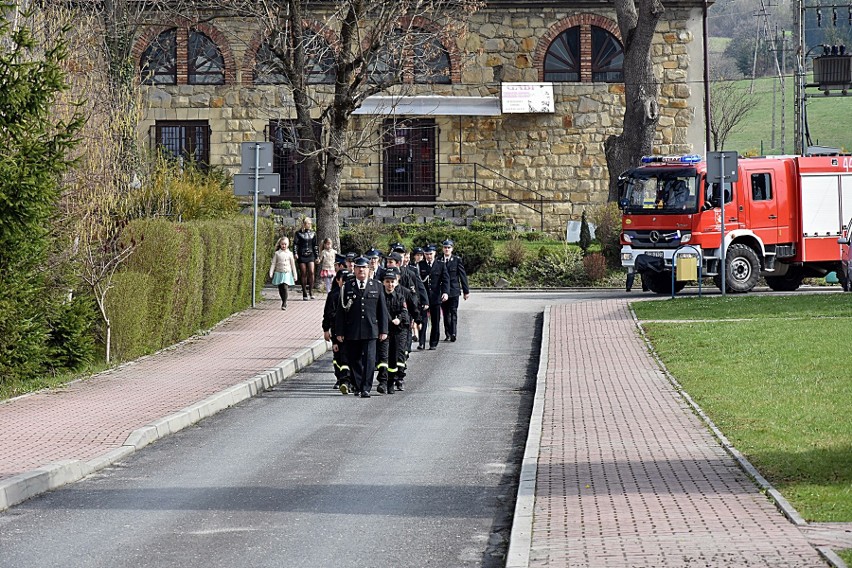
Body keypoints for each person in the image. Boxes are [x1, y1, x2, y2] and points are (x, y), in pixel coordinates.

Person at [335, 257, 388, 398]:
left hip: (371, 329)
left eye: (363, 268)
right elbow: (340, 311)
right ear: (355, 269)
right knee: (354, 359)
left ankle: (366, 387)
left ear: (368, 269)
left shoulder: (377, 286)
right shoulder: (347, 286)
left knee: (370, 360)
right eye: (358, 268)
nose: (361, 270)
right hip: (353, 330)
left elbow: (382, 310)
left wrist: (383, 330)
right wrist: (339, 332)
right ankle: (358, 385)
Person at [375, 267, 410, 395]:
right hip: (384, 331)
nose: (390, 284)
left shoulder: (400, 297)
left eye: (392, 282)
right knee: (383, 356)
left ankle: (391, 382)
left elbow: (405, 313)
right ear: (383, 282)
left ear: (396, 283)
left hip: (397, 331)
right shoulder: (380, 297)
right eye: (387, 281)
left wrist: (399, 319)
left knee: (394, 358)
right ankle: (382, 382)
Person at [323, 269, 352, 392]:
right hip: (337, 330)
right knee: (338, 356)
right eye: (343, 281)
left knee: (349, 356)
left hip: (351, 331)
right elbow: (328, 314)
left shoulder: (353, 293)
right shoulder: (333, 295)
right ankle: (340, 378)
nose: (346, 284)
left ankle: (348, 380)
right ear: (338, 281)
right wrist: (326, 329)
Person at [418, 244, 450, 350]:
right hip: (423, 298)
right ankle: (421, 342)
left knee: (435, 322)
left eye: (430, 254)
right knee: (422, 321)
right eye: (426, 254)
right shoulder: (420, 265)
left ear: (435, 253)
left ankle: (433, 342)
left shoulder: (440, 265)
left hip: (436, 298)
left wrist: (445, 292)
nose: (429, 256)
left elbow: (445, 280)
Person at [439, 239, 470, 342]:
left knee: (453, 312)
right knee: (445, 313)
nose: (447, 249)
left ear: (452, 249)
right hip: (443, 291)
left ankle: (453, 333)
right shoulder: (439, 260)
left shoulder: (456, 260)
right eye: (445, 247)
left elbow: (462, 276)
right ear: (442, 249)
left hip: (454, 291)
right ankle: (447, 333)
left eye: (449, 247)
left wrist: (466, 291)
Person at [269, 237, 297, 310]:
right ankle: (282, 299)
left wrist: (295, 274)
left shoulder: (290, 254)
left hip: (287, 273)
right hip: (279, 272)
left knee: (285, 287)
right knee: (280, 288)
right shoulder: (277, 253)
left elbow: (293, 265)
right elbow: (273, 263)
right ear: (280, 244)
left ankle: (284, 303)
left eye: (285, 244)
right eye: (282, 244)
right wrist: (271, 272)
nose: (283, 246)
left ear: (288, 244)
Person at [294, 217, 319, 300]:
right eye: (307, 223)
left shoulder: (313, 233)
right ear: (304, 224)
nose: (308, 225)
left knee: (311, 272)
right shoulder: (298, 233)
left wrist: (317, 256)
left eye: (309, 223)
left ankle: (311, 291)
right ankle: (304, 292)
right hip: (301, 254)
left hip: (311, 254)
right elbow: (295, 244)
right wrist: (295, 253)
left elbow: (315, 245)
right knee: (303, 273)